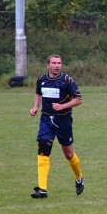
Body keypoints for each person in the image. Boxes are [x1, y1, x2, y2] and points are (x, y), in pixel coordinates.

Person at [29, 54, 85, 199]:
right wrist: (35, 107)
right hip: (46, 119)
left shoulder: (67, 81)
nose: (57, 65)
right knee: (43, 150)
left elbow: (79, 100)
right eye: (54, 63)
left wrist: (63, 106)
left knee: (69, 154)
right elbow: (38, 93)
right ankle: (42, 189)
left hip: (63, 121)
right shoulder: (42, 79)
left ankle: (79, 177)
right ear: (47, 65)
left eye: (59, 63)